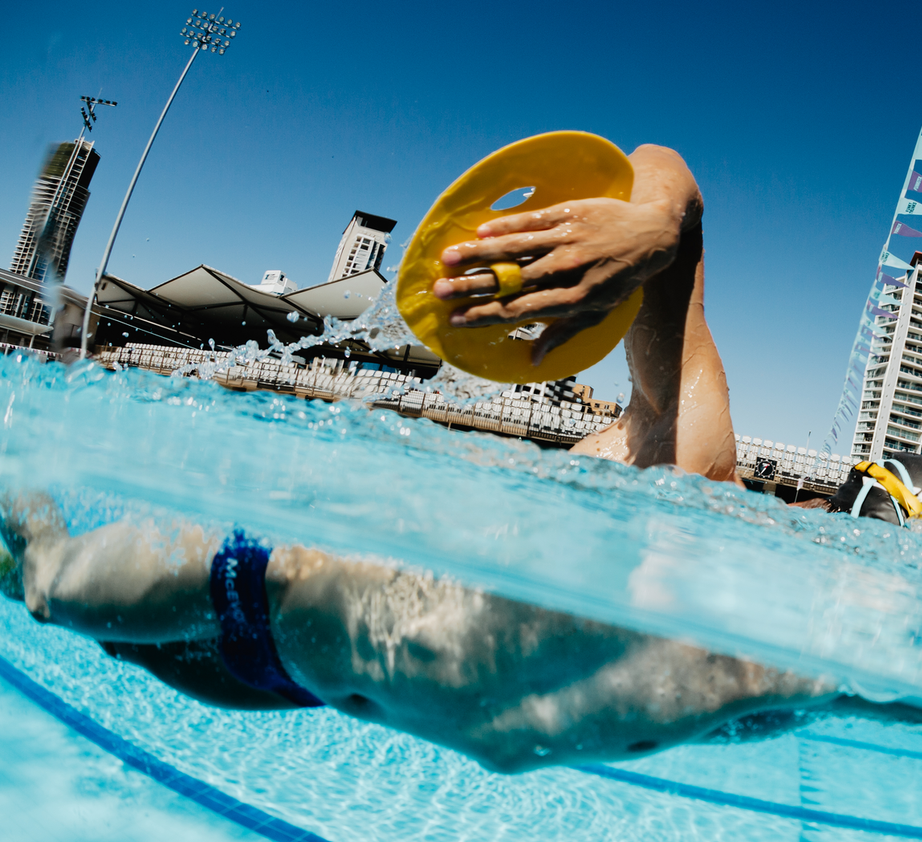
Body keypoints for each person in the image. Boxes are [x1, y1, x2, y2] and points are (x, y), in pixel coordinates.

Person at [0, 144, 837, 774]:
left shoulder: (796, 665)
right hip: (259, 574)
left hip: (297, 679)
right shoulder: (682, 462)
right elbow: (672, 179)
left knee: (81, 622)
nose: (817, 527)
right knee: (45, 578)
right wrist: (650, 226)